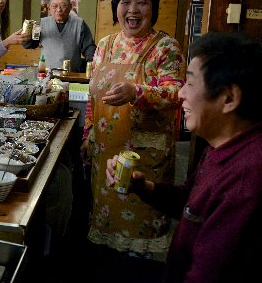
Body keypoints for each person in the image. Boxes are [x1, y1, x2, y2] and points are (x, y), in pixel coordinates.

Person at [106, 32, 262, 283]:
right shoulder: (220, 146)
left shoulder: (246, 180)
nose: (180, 95)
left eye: (189, 83)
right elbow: (190, 204)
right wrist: (142, 186)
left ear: (229, 98)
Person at [80, 0, 186, 268]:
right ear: (116, 8)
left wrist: (135, 91)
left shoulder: (165, 47)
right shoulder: (105, 44)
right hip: (105, 154)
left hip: (144, 157)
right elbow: (93, 96)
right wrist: (88, 133)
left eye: (142, 1)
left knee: (139, 250)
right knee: (106, 246)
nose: (133, 9)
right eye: (126, 2)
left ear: (154, 8)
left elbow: (176, 93)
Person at [24, 0, 95, 72]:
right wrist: (26, 37)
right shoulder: (41, 23)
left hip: (72, 74)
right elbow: (30, 44)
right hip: (47, 74)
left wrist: (93, 63)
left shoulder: (79, 24)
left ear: (70, 7)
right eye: (55, 6)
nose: (59, 9)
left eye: (63, 6)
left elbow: (89, 47)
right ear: (49, 7)